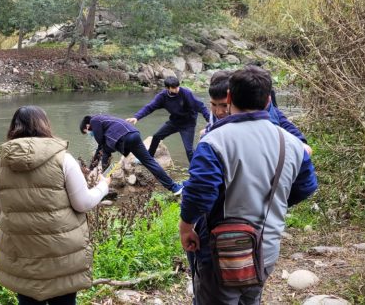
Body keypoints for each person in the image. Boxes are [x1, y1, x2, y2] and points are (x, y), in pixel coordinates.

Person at [179, 67, 318, 304]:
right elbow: (306, 187)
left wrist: (185, 227)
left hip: (222, 251)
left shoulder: (213, 141)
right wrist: (272, 201)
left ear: (229, 96)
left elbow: (200, 193)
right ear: (268, 101)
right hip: (267, 247)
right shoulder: (292, 143)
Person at [0, 106, 111, 305]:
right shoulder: (63, 159)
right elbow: (82, 204)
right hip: (63, 256)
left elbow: (0, 211)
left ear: (13, 127)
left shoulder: (1, 163)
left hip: (23, 255)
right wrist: (103, 187)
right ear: (44, 125)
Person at [202, 67, 312, 155]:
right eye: (213, 104)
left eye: (224, 105)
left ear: (232, 98)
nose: (219, 112)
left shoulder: (270, 116)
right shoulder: (214, 125)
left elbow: (304, 147)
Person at [80, 114, 183, 194]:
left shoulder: (94, 120)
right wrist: (91, 167)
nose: (90, 134)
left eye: (87, 132)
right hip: (134, 134)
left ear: (87, 126)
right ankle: (175, 187)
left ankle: (101, 180)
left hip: (124, 138)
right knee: (149, 162)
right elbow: (102, 146)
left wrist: (95, 168)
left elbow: (101, 143)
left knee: (105, 152)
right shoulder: (104, 118)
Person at [127, 76, 210, 162]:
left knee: (189, 150)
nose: (177, 89)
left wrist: (210, 120)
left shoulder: (186, 93)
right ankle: (149, 157)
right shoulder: (162, 97)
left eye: (177, 86)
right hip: (174, 122)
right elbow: (150, 107)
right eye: (174, 88)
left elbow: (201, 106)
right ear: (167, 88)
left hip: (188, 124)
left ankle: (195, 167)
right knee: (156, 137)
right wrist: (137, 117)